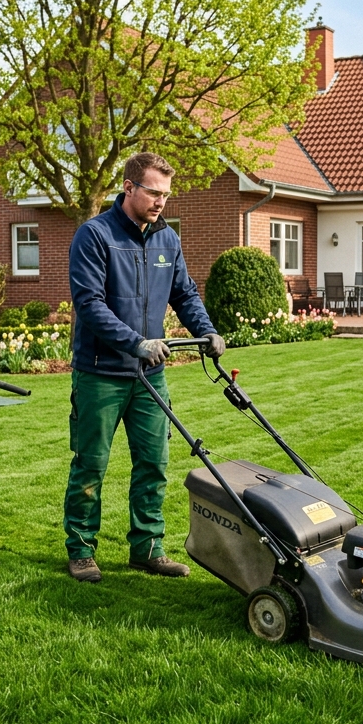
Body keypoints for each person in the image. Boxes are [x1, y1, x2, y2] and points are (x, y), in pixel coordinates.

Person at [63, 152, 226, 583]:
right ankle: (81, 550)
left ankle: (148, 548)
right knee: (91, 464)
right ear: (129, 187)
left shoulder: (166, 239)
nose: (160, 202)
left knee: (154, 462)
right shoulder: (94, 235)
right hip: (101, 373)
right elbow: (89, 305)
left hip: (149, 376)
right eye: (154, 192)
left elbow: (185, 293)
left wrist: (207, 332)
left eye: (166, 195)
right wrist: (135, 343)